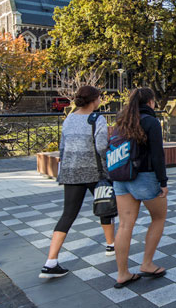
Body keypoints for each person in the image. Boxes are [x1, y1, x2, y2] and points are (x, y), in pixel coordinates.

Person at [40, 86, 115, 279]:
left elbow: (62, 146)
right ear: (94, 100)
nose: (100, 100)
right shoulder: (97, 119)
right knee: (104, 206)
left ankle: (51, 261)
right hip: (94, 171)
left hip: (71, 172)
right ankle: (111, 245)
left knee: (68, 214)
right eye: (99, 98)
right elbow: (100, 147)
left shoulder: (70, 118)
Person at [112, 88, 169, 288]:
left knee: (125, 225)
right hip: (145, 176)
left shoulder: (122, 121)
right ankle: (147, 263)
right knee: (159, 218)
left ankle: (122, 274)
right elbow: (157, 155)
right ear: (151, 102)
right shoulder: (151, 122)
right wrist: (163, 182)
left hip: (121, 177)